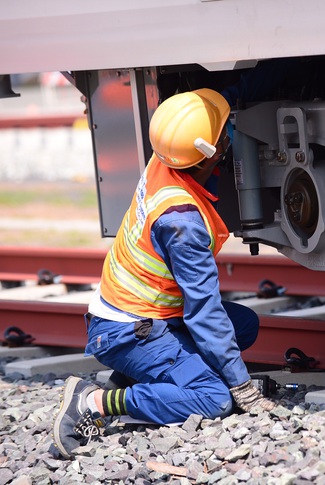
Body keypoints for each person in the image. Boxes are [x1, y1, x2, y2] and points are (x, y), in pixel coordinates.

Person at [53, 88, 275, 459]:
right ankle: (94, 401)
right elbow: (203, 310)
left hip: (141, 313)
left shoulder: (165, 159)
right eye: (224, 133)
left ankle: (150, 378)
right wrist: (242, 388)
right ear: (211, 152)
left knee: (244, 326)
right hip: (126, 331)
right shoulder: (183, 224)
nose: (228, 134)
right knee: (215, 398)